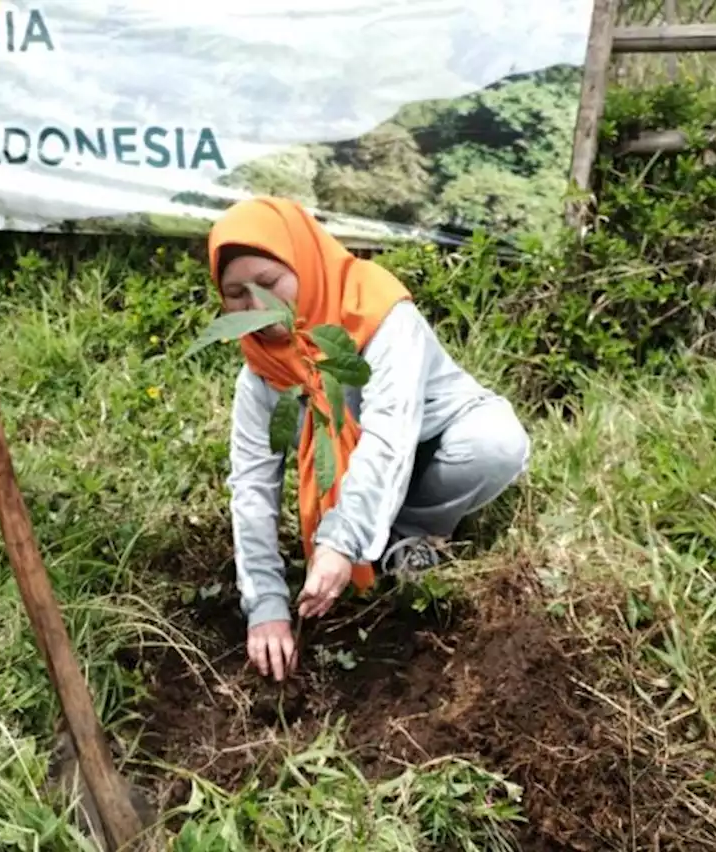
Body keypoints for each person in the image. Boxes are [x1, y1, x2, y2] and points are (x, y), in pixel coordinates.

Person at [209, 197, 532, 683]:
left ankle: (406, 534)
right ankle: (368, 539)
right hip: (366, 472)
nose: (257, 306)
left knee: (497, 444)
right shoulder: (261, 376)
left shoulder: (380, 316)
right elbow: (252, 486)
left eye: (271, 284)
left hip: (430, 442)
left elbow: (388, 437)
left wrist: (340, 543)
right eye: (236, 294)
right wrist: (266, 607)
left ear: (304, 260)